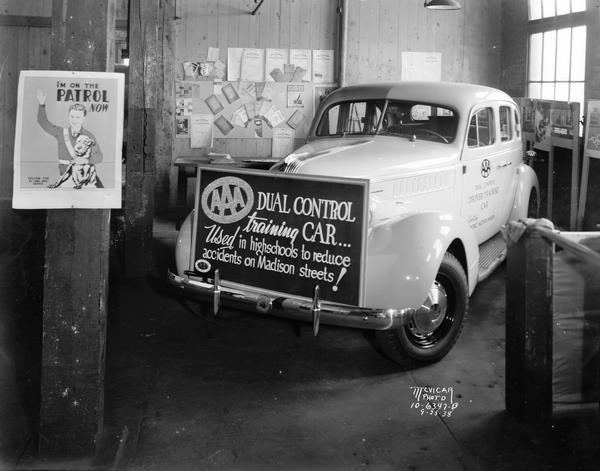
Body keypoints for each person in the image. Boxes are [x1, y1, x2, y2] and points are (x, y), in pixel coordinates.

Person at [36, 89, 103, 180]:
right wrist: (42, 104)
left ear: (83, 118)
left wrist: (86, 160)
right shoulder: (60, 132)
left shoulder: (89, 135)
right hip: (65, 176)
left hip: (83, 178)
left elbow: (99, 156)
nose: (74, 120)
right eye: (72, 116)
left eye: (78, 117)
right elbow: (43, 123)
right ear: (69, 116)